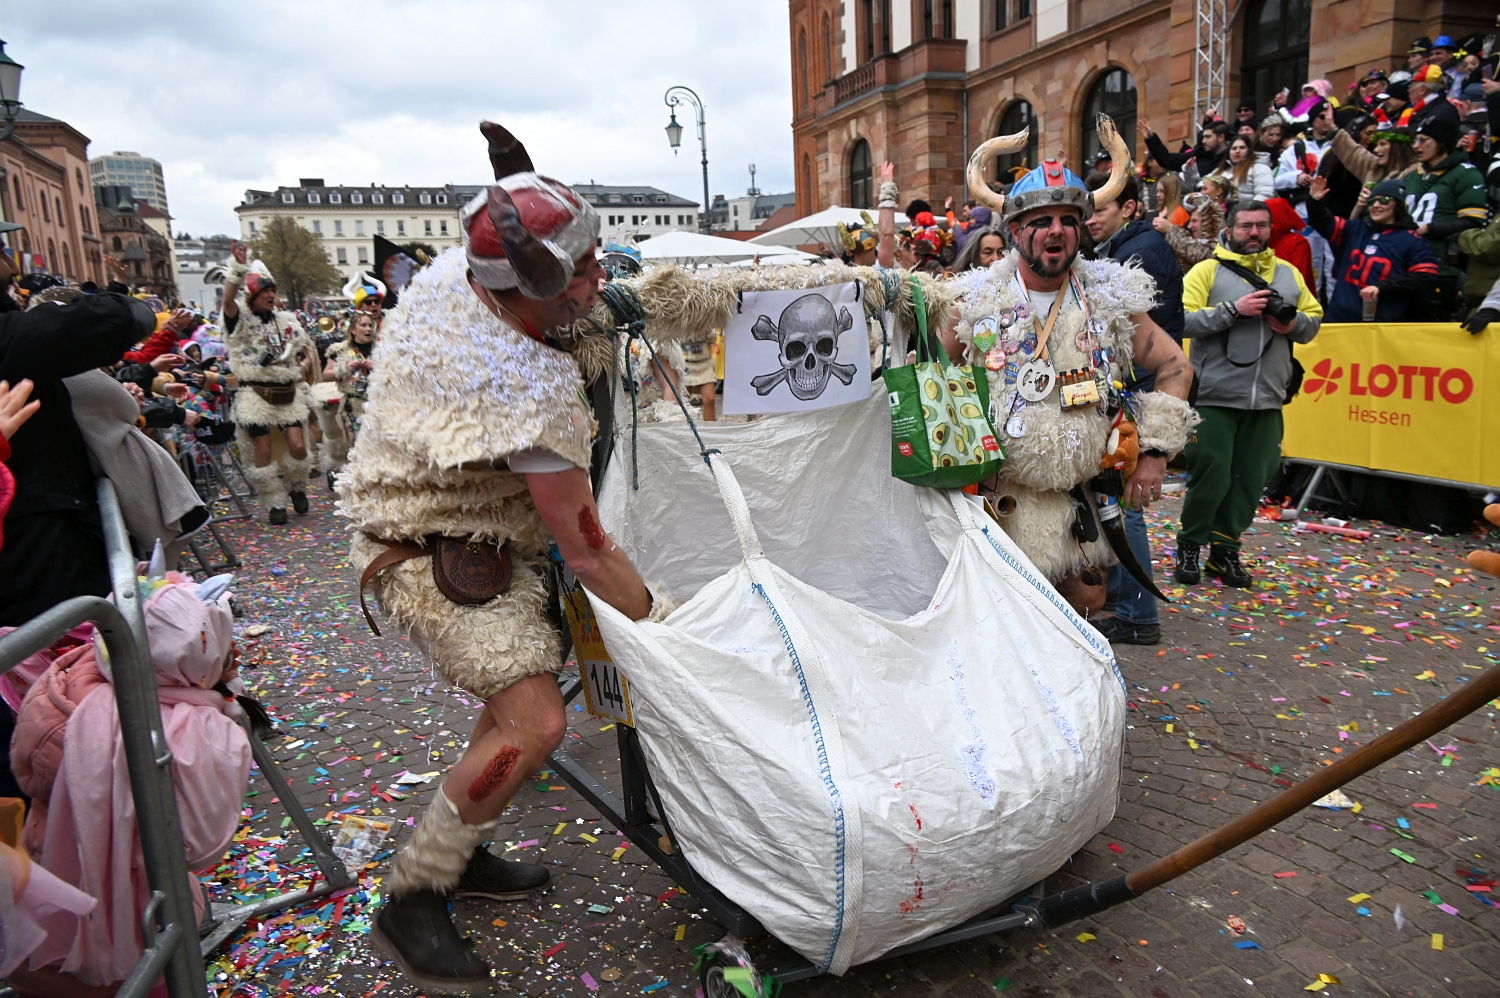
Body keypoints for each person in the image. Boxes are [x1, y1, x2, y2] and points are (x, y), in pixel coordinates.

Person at [342, 123, 667, 993]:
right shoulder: (527, 395)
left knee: (509, 706)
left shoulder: (459, 277)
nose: (599, 279)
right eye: (584, 269)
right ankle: (414, 895)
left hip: (467, 529)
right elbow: (588, 549)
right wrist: (662, 624)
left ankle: (462, 848)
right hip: (429, 549)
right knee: (537, 723)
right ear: (532, 285)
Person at [960, 118, 1197, 615]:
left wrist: (1155, 452)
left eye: (1067, 219)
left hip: (1080, 501)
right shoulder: (974, 300)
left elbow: (1176, 366)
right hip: (999, 500)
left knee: (1085, 603)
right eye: (1041, 220)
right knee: (1003, 618)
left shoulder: (1110, 299)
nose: (1056, 230)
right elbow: (928, 368)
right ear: (1014, 230)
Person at [1176, 201, 1322, 588]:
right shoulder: (1205, 270)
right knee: (1210, 476)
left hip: (1268, 398)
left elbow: (1314, 321)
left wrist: (1290, 323)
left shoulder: (1288, 273)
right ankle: (1189, 545)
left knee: (1249, 480)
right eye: (1245, 226)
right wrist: (1232, 310)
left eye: (1261, 225)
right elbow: (1181, 320)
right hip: (1213, 396)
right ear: (1229, 229)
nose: (1254, 232)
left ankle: (1225, 551)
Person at [0, 277, 156, 626]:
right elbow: (122, 319)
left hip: (52, 529)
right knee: (66, 646)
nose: (10, 264)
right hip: (36, 553)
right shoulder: (15, 338)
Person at [1084, 172, 1185, 645]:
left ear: (1128, 208)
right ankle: (1126, 602)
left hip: (1138, 391)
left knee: (1126, 504)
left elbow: (1158, 349)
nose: (1090, 221)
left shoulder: (1137, 252)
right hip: (1130, 389)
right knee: (1116, 500)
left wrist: (1156, 448)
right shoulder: (1122, 248)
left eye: (1099, 210)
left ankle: (1137, 616)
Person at [221, 245, 317, 525]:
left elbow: (305, 353)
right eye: (265, 291)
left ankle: (297, 486)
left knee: (298, 446)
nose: (271, 295)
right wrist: (238, 268)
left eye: (273, 291)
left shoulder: (287, 321)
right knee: (261, 450)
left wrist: (302, 366)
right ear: (252, 294)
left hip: (287, 392)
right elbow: (227, 298)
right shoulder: (238, 319)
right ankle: (274, 501)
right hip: (255, 393)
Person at [1305, 177, 1441, 321]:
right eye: (1371, 201)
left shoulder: (1412, 240)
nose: (1376, 205)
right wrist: (1315, 201)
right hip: (1339, 319)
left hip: (1382, 324)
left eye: (1384, 200)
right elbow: (1322, 222)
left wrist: (1382, 287)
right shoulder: (1355, 229)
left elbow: (1426, 276)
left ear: (1398, 204)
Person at [1404, 117, 1488, 317]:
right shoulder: (1412, 175)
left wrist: (1429, 228)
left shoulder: (1466, 174)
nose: (1416, 146)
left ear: (1442, 142)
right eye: (1415, 140)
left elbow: (1473, 221)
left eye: (1424, 140)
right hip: (1405, 264)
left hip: (1440, 267)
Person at [317, 309, 377, 486]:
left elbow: (395, 372)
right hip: (353, 406)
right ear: (353, 329)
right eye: (363, 325)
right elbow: (325, 375)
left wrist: (378, 365)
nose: (368, 329)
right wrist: (344, 368)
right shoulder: (339, 350)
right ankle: (359, 482)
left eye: (370, 325)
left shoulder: (381, 348)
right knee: (358, 446)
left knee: (376, 445)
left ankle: (373, 479)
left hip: (378, 404)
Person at [1156, 192, 1223, 273]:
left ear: (1209, 223)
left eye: (1194, 221)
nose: (1189, 226)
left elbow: (1202, 255)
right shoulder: (1194, 241)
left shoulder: (1222, 247)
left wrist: (1171, 230)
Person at [1210, 136, 1274, 200]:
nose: (1237, 151)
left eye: (1242, 148)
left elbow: (1265, 194)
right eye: (1234, 148)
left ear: (1249, 151)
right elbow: (1205, 185)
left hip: (1248, 206)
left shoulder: (1260, 168)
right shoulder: (1221, 170)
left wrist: (1249, 206)